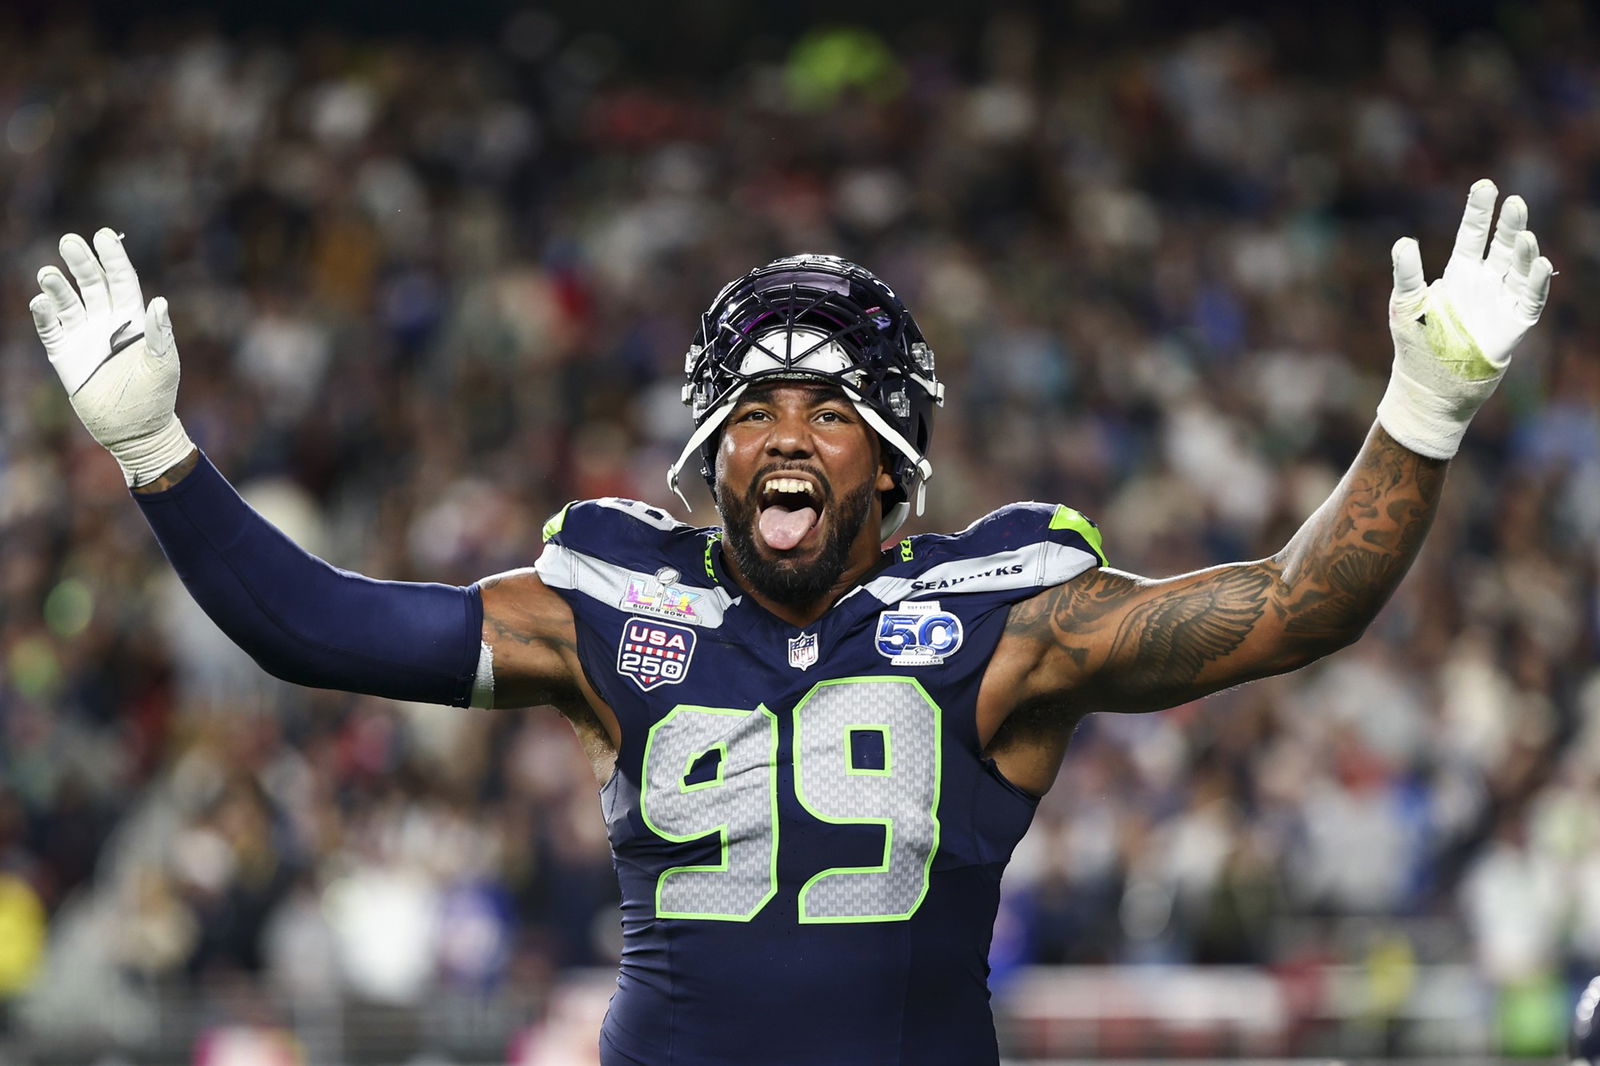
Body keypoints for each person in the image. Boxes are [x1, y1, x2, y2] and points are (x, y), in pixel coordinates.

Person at [29, 179, 1551, 1066]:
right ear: (712, 449)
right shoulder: (612, 603)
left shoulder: (1006, 615)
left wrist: (1423, 409)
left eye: (828, 409)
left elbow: (1289, 608)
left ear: (886, 462)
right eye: (758, 406)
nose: (787, 437)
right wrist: (158, 455)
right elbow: (323, 630)